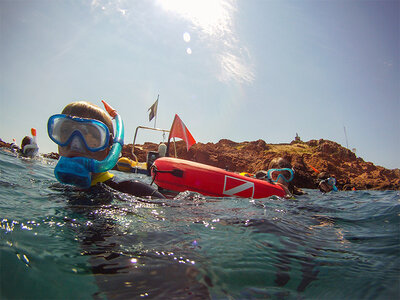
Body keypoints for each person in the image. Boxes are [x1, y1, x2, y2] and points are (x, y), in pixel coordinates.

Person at [47, 100, 165, 198]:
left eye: (91, 136)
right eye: (65, 132)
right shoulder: (57, 190)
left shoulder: (132, 191)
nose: (75, 144)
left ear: (110, 148)